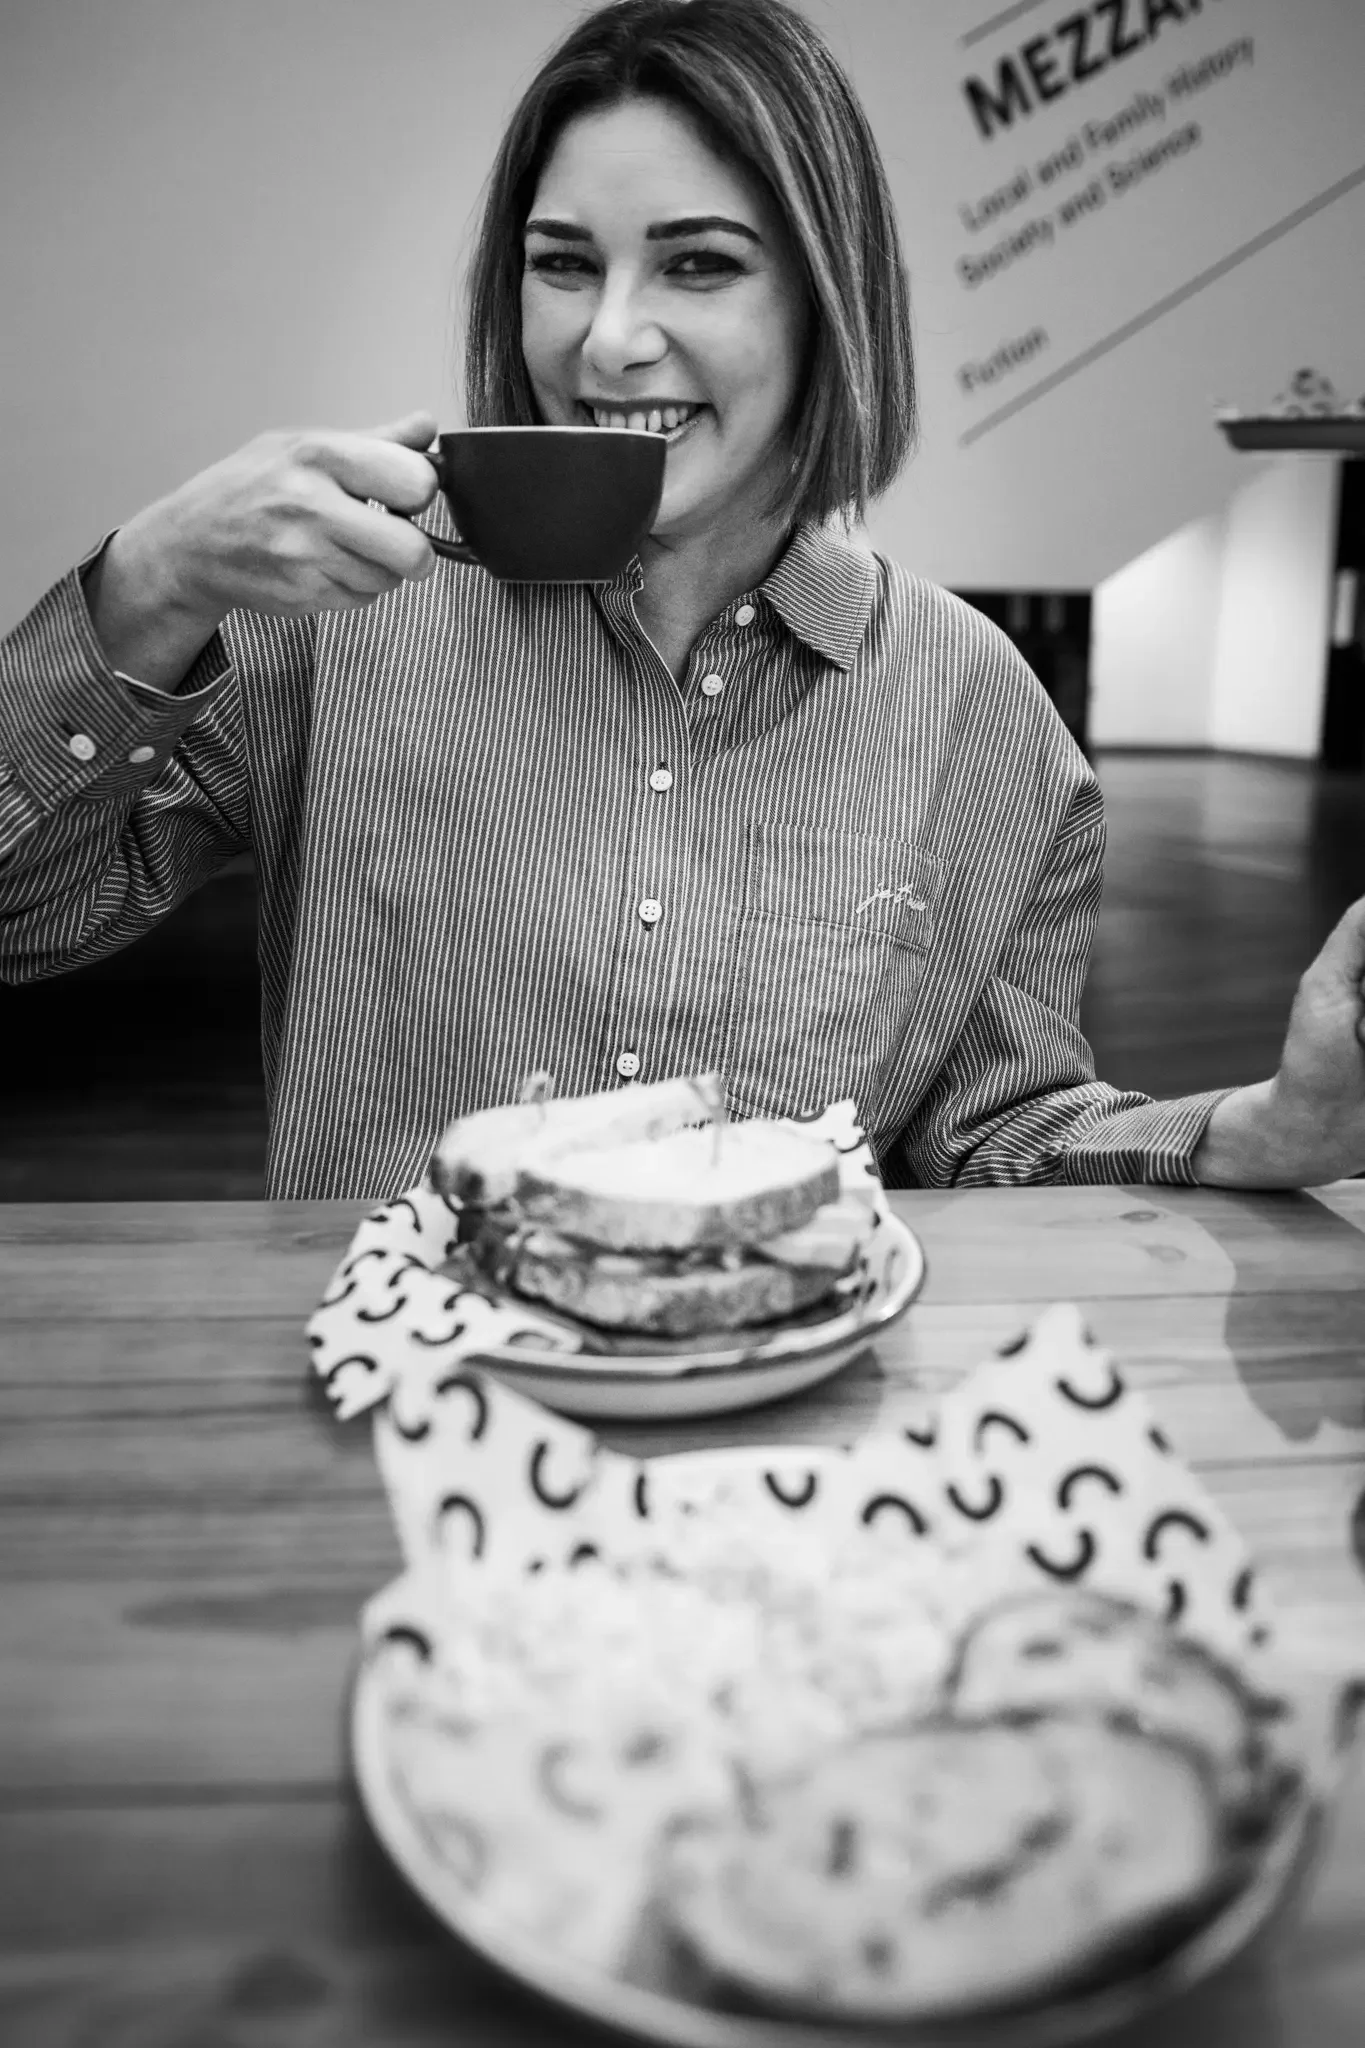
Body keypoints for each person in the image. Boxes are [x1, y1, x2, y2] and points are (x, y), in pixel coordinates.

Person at [1, 0, 1362, 1201]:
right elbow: (21, 920)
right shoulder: (340, 610)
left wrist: (1259, 1129)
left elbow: (996, 1133)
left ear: (829, 303)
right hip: (404, 1431)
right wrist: (150, 584)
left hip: (771, 1449)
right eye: (565, 263)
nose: (607, 341)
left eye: (699, 263)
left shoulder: (980, 708)